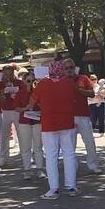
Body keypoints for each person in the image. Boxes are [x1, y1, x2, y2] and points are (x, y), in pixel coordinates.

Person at [28, 60, 78, 199]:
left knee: (51, 156)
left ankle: (53, 189)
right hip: (67, 122)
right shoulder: (69, 82)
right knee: (69, 154)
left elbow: (32, 102)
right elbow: (74, 98)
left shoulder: (43, 83)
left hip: (49, 123)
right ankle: (72, 187)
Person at [67, 60, 100, 173]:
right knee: (70, 144)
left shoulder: (83, 78)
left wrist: (81, 91)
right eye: (66, 68)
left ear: (74, 67)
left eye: (71, 67)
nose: (69, 70)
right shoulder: (62, 81)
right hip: (68, 116)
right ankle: (72, 166)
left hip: (83, 115)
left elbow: (92, 94)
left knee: (89, 141)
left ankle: (93, 164)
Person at [15, 70, 44, 179]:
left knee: (38, 146)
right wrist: (25, 108)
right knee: (25, 147)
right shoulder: (20, 93)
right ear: (24, 81)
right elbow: (16, 108)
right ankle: (27, 170)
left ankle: (40, 169)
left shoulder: (38, 91)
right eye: (28, 81)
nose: (30, 83)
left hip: (37, 121)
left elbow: (43, 105)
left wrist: (40, 108)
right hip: (24, 121)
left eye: (32, 81)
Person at [0, 65, 25, 169]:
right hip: (4, 110)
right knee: (4, 136)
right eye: (6, 74)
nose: (8, 76)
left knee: (21, 134)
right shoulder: (0, 83)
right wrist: (3, 92)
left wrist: (17, 94)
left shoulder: (19, 83)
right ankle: (3, 158)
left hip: (17, 110)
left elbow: (24, 94)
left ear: (14, 73)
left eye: (10, 74)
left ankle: (25, 156)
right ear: (3, 74)